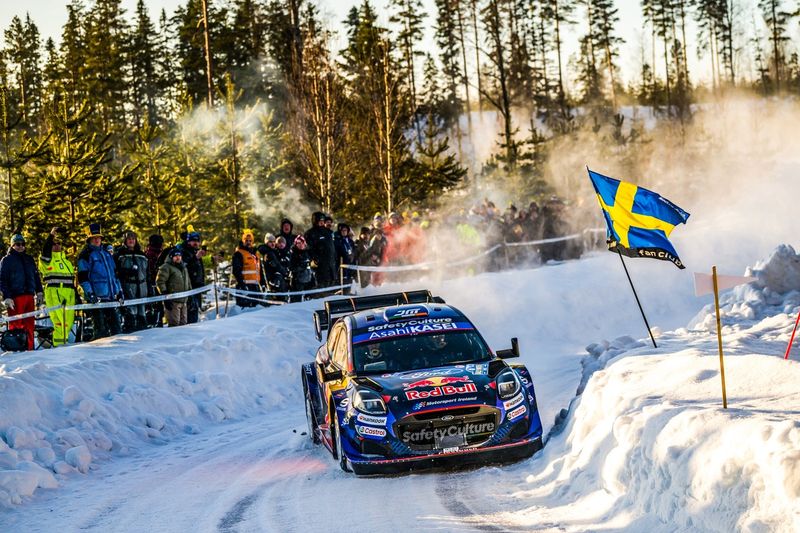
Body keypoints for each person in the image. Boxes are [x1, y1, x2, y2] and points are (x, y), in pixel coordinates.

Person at [77, 223, 123, 340]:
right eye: (94, 238)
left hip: (110, 297)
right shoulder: (86, 255)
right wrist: (90, 293)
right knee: (100, 331)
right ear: (89, 239)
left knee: (116, 330)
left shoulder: (107, 254)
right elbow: (83, 278)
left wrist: (119, 291)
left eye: (99, 237)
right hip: (96, 299)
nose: (97, 240)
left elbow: (115, 275)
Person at [0, 234, 43, 350]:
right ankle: (17, 349)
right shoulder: (7, 260)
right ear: (12, 245)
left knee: (30, 324)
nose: (21, 247)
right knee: (16, 325)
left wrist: (39, 291)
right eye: (18, 244)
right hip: (15, 298)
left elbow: (36, 276)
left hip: (29, 295)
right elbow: (2, 280)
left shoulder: (29, 259)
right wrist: (7, 296)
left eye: (23, 244)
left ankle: (30, 348)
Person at [39, 227, 77, 346]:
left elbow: (71, 281)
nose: (56, 246)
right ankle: (59, 347)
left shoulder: (67, 263)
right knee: (59, 322)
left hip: (69, 294)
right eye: (53, 244)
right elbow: (45, 251)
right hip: (55, 292)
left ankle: (63, 344)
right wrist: (51, 236)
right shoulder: (47, 261)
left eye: (58, 243)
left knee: (68, 322)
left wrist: (76, 296)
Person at [114, 230, 149, 332]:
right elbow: (116, 272)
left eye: (133, 239)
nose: (131, 241)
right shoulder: (120, 255)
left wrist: (150, 288)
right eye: (129, 239)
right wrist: (127, 272)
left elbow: (148, 273)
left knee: (142, 314)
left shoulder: (142, 255)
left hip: (142, 288)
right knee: (130, 314)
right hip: (127, 287)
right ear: (125, 241)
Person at [175, 229, 206, 323]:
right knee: (189, 314)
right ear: (188, 241)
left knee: (195, 311)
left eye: (197, 241)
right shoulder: (183, 251)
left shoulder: (195, 251)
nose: (196, 243)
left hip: (197, 287)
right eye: (193, 240)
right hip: (188, 288)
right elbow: (183, 267)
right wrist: (195, 258)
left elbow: (199, 268)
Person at [156, 248, 191, 327]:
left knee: (184, 324)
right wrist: (165, 295)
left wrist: (190, 294)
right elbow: (160, 281)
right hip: (173, 302)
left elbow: (188, 281)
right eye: (175, 256)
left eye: (179, 255)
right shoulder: (166, 267)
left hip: (184, 301)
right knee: (174, 325)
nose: (178, 257)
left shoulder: (184, 267)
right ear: (171, 257)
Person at [304, 211, 337, 287]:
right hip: (319, 265)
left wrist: (335, 257)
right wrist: (315, 259)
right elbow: (308, 249)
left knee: (331, 284)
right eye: (320, 221)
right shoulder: (310, 233)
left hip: (331, 264)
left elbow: (332, 246)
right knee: (321, 285)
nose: (322, 222)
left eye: (323, 221)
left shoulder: (328, 232)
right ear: (315, 221)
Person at [232, 228, 263, 307]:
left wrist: (262, 284)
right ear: (243, 241)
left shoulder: (255, 254)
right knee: (245, 310)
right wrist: (242, 285)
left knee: (257, 309)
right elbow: (236, 271)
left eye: (250, 240)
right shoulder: (239, 254)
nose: (248, 242)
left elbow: (259, 270)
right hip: (244, 286)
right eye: (246, 240)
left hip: (255, 287)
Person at [144, 234, 164, 327]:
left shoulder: (158, 253)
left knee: (158, 305)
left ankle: (158, 321)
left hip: (158, 282)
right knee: (154, 305)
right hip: (152, 283)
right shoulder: (150, 254)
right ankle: (154, 322)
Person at [289, 235, 314, 299]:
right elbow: (291, 267)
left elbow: (310, 264)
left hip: (308, 279)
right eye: (298, 243)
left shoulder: (308, 252)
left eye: (301, 243)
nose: (300, 245)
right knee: (296, 299)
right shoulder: (293, 253)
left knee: (309, 299)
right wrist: (302, 266)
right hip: (297, 281)